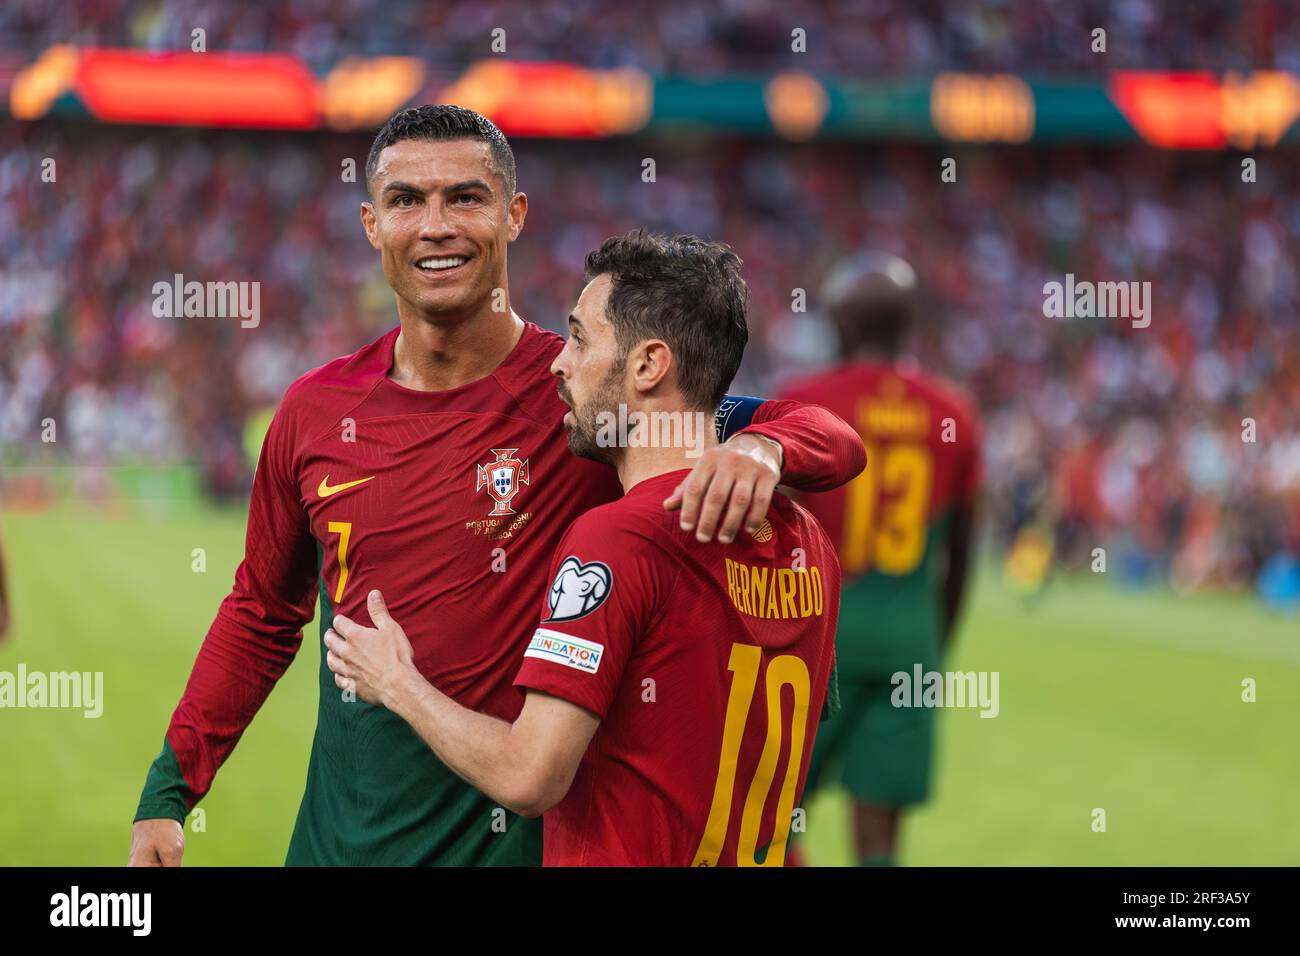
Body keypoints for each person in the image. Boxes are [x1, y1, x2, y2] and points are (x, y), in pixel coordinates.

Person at [128, 106, 866, 866]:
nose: (436, 224)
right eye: (407, 200)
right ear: (371, 223)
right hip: (337, 848)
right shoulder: (317, 413)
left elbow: (826, 435)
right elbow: (261, 611)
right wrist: (169, 795)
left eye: (466, 198)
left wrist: (763, 446)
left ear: (513, 216)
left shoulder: (585, 402)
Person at [325, 231, 842, 866]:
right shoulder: (808, 542)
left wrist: (397, 682)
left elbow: (530, 777)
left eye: (579, 338)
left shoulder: (618, 536)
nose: (557, 363)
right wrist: (768, 444)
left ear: (648, 366)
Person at [779, 253, 981, 866]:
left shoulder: (804, 403)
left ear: (840, 324)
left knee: (769, 819)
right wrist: (933, 645)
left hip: (812, 641)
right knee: (880, 848)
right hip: (907, 642)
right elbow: (962, 554)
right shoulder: (952, 412)